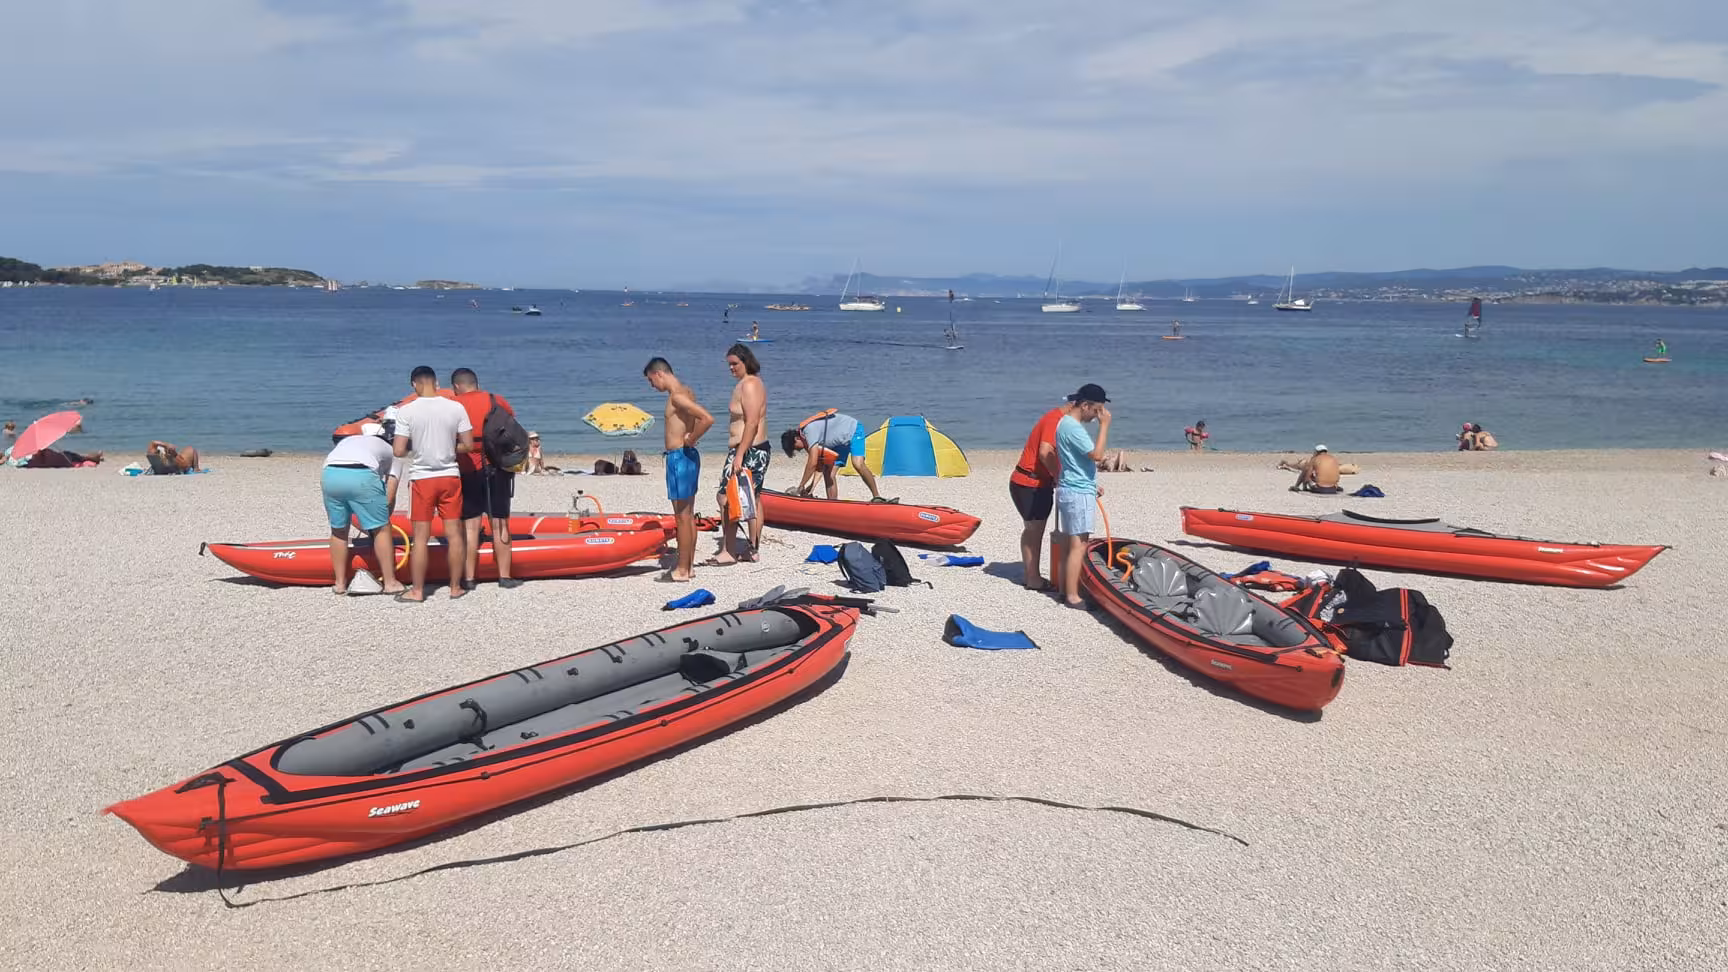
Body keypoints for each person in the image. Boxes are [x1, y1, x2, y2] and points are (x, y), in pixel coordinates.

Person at [392, 366, 474, 601]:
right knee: (454, 533)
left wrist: (418, 449)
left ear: (413, 384)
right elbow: (468, 445)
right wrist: (448, 448)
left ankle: (418, 591)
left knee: (420, 536)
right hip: (450, 476)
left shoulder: (407, 411)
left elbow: (398, 450)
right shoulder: (456, 407)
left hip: (422, 478)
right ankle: (456, 587)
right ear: (436, 383)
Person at [645, 356, 716, 582]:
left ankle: (682, 569)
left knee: (682, 517)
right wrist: (691, 436)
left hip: (680, 458)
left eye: (651, 380)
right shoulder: (687, 391)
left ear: (659, 374)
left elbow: (706, 418)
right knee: (688, 516)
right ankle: (688, 566)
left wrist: (691, 439)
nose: (652, 386)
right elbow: (695, 420)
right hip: (686, 457)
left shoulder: (676, 396)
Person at [451, 367, 520, 591]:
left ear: (457, 386)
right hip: (497, 467)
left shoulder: (454, 405)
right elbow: (510, 426)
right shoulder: (495, 400)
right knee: (500, 523)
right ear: (477, 384)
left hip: (467, 469)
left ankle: (469, 578)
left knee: (470, 526)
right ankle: (505, 576)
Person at [322, 422, 406, 596]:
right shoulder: (392, 451)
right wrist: (382, 521)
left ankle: (339, 584)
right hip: (361, 475)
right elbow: (390, 495)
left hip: (329, 474)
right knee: (382, 529)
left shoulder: (350, 441)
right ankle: (390, 583)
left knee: (338, 530)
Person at [1053, 384, 1112, 609]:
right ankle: (1072, 596)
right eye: (1096, 411)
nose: (1097, 416)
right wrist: (1105, 426)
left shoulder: (1065, 423)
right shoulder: (1073, 427)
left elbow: (1075, 461)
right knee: (1079, 544)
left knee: (1071, 543)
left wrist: (1092, 484)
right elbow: (1096, 455)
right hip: (1077, 492)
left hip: (1073, 486)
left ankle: (1064, 589)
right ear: (1085, 405)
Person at [713, 343, 769, 564]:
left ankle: (731, 550)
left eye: (734, 364)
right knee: (751, 499)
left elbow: (752, 422)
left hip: (750, 450)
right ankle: (750, 549)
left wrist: (739, 454)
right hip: (748, 449)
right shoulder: (745, 384)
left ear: (746, 362)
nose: (731, 368)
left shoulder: (751, 385)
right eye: (729, 365)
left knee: (727, 497)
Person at [1008, 399, 1068, 592]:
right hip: (1029, 483)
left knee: (1032, 529)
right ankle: (1033, 578)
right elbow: (1045, 452)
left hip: (1030, 482)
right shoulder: (1055, 420)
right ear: (1082, 405)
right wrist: (1058, 477)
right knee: (1035, 529)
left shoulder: (1058, 419)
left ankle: (1030, 573)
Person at [781, 410, 895, 503]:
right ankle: (833, 503)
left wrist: (800, 486)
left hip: (853, 430)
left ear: (796, 438)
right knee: (829, 473)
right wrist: (810, 488)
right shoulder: (808, 438)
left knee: (858, 463)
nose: (800, 450)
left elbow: (812, 463)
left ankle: (877, 496)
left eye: (796, 448)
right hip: (838, 443)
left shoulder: (809, 431)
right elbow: (819, 467)